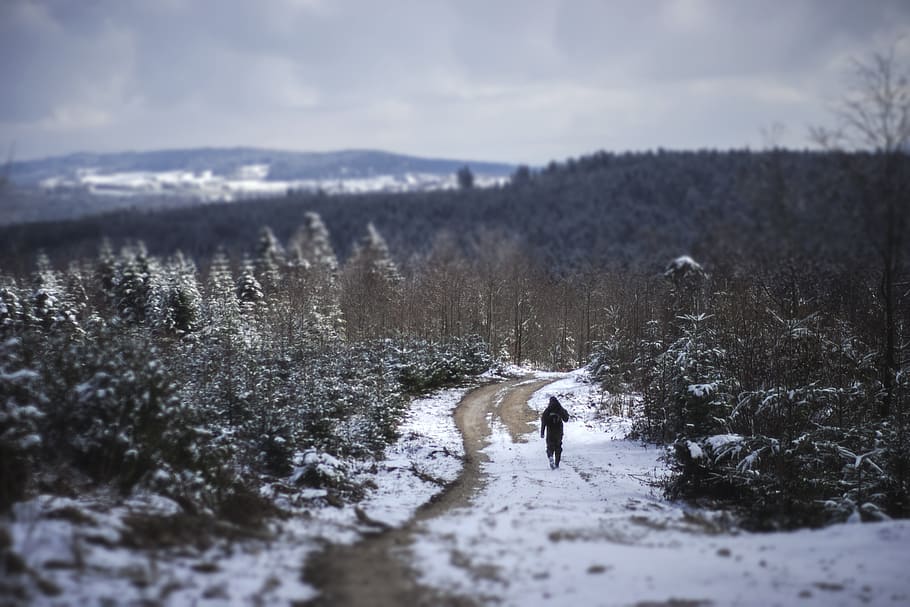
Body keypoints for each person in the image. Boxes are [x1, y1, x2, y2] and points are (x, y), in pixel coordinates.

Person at [540, 396, 569, 469]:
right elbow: (566, 419)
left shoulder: (548, 410)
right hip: (559, 431)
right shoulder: (560, 409)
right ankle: (557, 464)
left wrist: (542, 432)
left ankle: (550, 457)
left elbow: (543, 421)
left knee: (550, 446)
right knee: (558, 447)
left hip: (550, 431)